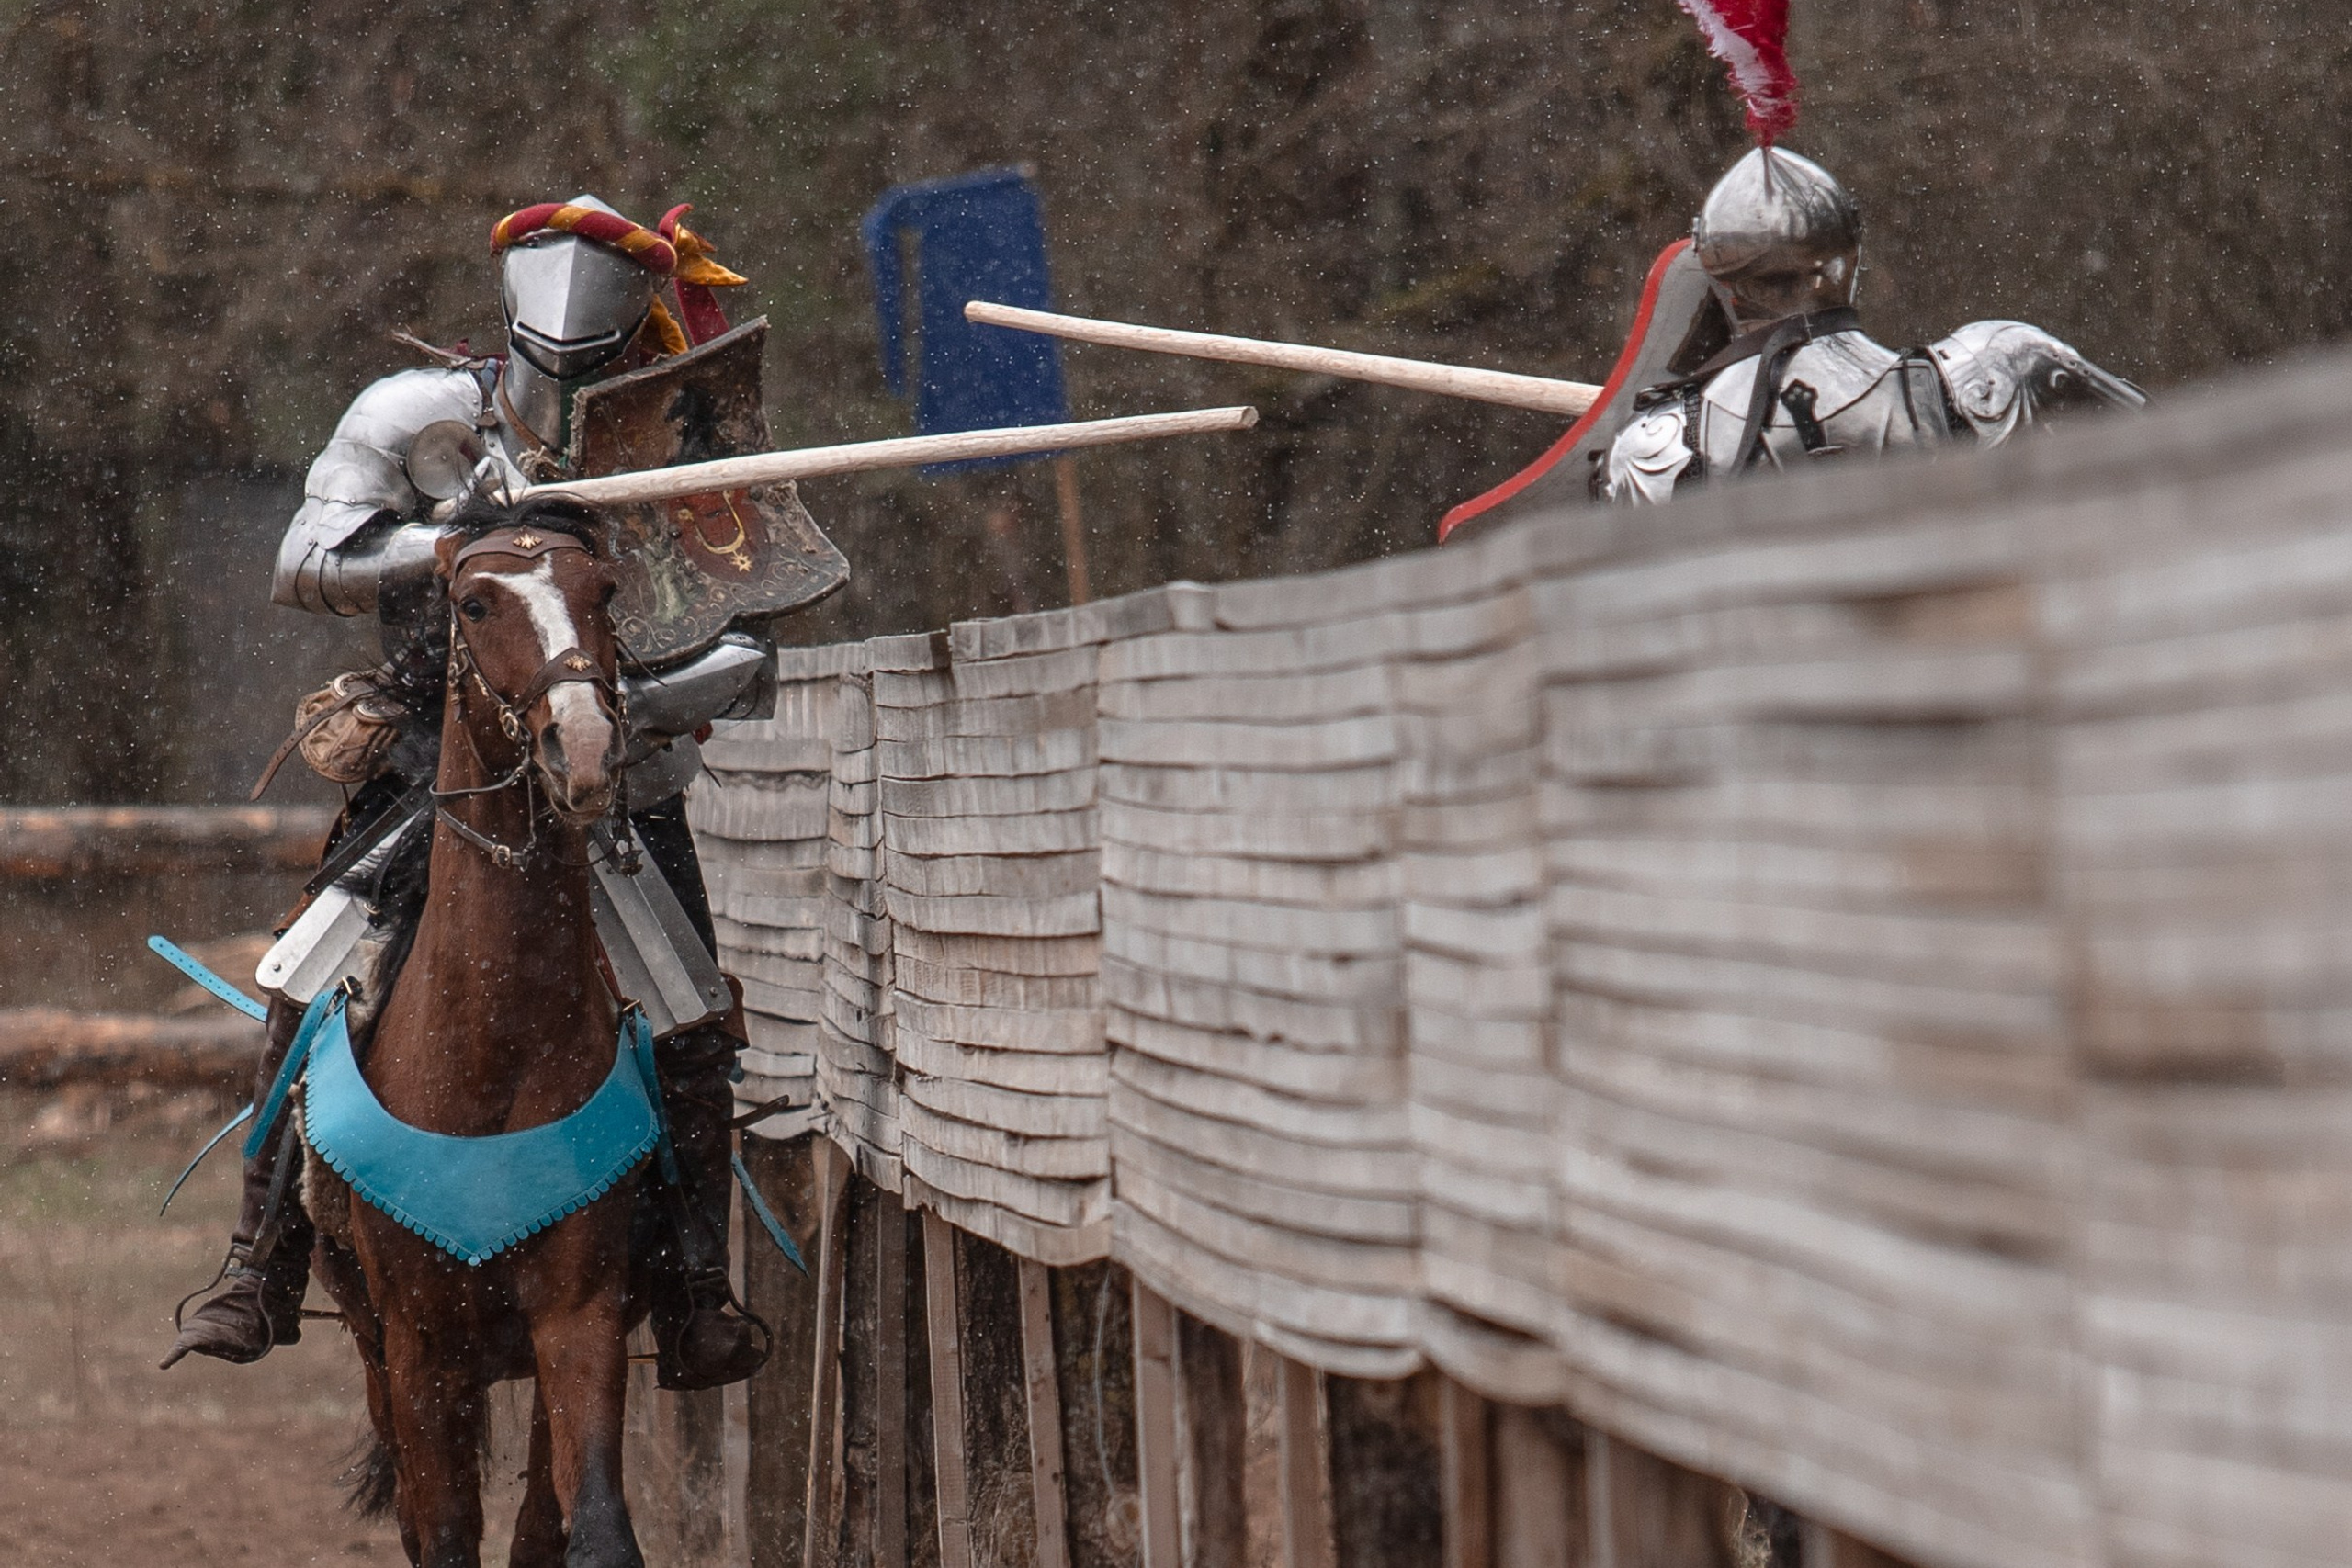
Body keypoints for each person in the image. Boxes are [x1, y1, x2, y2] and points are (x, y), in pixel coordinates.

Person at [163, 197, 781, 1390]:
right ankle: (260, 1259)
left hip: (616, 782)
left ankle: (695, 1286)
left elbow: (750, 636)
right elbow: (305, 561)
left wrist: (600, 708)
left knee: (693, 1020)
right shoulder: (417, 414)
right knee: (304, 980)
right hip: (436, 771)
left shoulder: (687, 430)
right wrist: (450, 541)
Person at [1599, 147, 2144, 503]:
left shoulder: (1655, 447)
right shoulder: (2005, 365)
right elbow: (2160, 466)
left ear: (1718, 276)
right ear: (1848, 255)